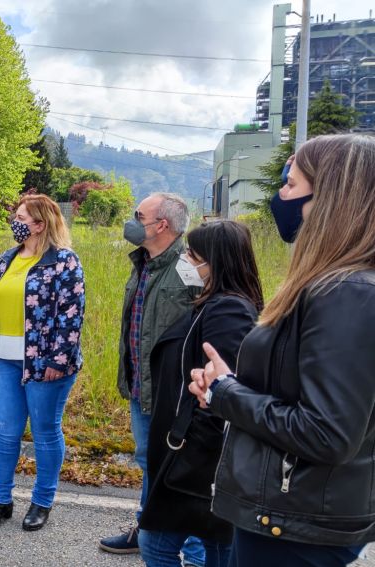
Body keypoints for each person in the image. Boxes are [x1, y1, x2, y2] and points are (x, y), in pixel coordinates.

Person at [190, 134, 375, 565]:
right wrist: (228, 385)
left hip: (294, 524)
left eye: (290, 184)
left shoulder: (346, 293)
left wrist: (226, 395)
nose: (279, 196)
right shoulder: (333, 285)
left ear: (330, 199)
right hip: (288, 512)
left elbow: (328, 433)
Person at [139, 220, 263, 567]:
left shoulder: (228, 310)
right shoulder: (217, 302)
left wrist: (196, 447)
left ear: (216, 261)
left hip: (200, 451)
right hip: (201, 448)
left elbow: (224, 386)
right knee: (218, 544)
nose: (186, 261)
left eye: (193, 255)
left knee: (159, 544)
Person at [99, 192, 204, 565]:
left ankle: (193, 549)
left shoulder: (189, 265)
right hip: (141, 387)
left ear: (161, 225)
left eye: (138, 215)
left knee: (179, 467)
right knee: (150, 462)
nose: (132, 220)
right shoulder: (143, 262)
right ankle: (148, 530)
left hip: (174, 392)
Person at [0, 194, 84, 532]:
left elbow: (72, 314)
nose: (15, 221)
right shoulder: (7, 257)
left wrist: (58, 358)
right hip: (6, 360)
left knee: (45, 432)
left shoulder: (64, 261)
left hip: (46, 363)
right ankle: (1, 500)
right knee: (6, 432)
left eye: (21, 216)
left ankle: (42, 501)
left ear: (40, 224)